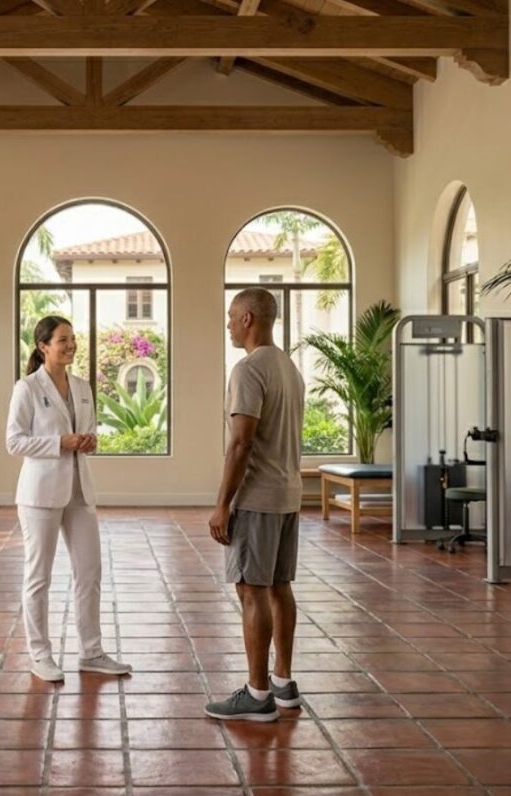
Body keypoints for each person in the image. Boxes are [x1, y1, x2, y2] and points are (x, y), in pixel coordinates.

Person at [6, 315, 133, 682]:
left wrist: (89, 441)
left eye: (73, 339)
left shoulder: (81, 386)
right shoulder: (27, 388)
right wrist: (58, 443)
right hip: (39, 494)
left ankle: (92, 652)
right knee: (39, 577)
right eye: (63, 339)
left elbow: (86, 433)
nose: (71, 345)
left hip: (80, 489)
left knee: (90, 572)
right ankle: (40, 654)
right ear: (43, 346)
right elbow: (13, 441)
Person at [204, 288, 305, 723]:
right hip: (288, 495)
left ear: (248, 318)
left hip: (258, 498)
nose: (228, 324)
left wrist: (222, 504)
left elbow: (241, 442)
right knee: (280, 587)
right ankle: (283, 682)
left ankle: (257, 692)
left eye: (231, 317)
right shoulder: (288, 366)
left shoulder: (248, 370)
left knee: (252, 590)